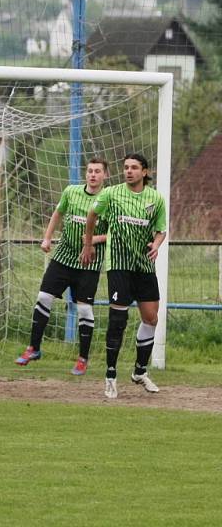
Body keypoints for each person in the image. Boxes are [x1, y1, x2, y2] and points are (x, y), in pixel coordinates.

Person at [80, 153, 167, 399]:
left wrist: (157, 244)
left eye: (134, 168)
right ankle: (110, 376)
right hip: (119, 265)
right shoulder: (112, 193)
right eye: (126, 167)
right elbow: (92, 216)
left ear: (145, 172)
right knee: (118, 320)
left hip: (144, 267)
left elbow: (161, 230)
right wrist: (88, 244)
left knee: (151, 319)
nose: (129, 171)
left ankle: (140, 371)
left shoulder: (155, 199)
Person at [15, 158, 109, 375]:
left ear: (105, 176)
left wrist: (92, 241)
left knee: (84, 309)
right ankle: (33, 348)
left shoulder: (109, 200)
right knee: (43, 297)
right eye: (90, 171)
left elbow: (114, 232)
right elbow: (58, 213)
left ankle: (83, 359)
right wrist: (47, 238)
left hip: (88, 264)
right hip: (63, 258)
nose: (93, 175)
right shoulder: (71, 192)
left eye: (97, 172)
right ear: (86, 174)